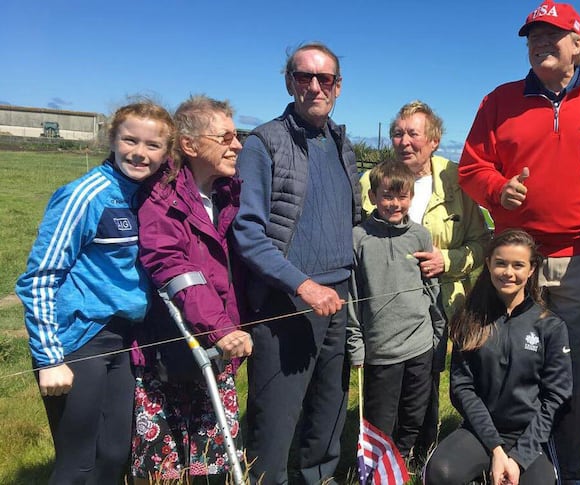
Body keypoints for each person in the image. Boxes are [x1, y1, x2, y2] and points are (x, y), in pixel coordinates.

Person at [457, 2, 580, 481]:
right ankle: (502, 456)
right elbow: (472, 168)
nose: (539, 44)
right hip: (516, 259)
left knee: (573, 370)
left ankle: (568, 467)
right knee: (508, 362)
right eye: (532, 36)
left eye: (551, 35)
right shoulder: (500, 99)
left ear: (577, 44)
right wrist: (499, 189)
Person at [15, 101, 174, 484]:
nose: (140, 152)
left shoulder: (145, 194)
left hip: (120, 339)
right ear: (112, 139)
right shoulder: (86, 195)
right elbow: (39, 278)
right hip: (78, 339)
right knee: (78, 462)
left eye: (153, 146)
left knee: (115, 452)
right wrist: (50, 358)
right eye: (130, 140)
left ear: (166, 153)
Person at [232, 42, 361, 484]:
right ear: (289, 82)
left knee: (327, 415)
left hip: (338, 301)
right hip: (287, 301)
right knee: (275, 423)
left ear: (338, 87)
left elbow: (350, 219)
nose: (314, 86)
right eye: (304, 76)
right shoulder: (264, 142)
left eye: (324, 78)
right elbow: (248, 234)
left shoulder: (342, 142)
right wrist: (302, 285)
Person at [360, 100, 490, 459]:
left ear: (433, 140)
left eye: (413, 134)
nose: (404, 141)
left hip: (441, 304)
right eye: (397, 133)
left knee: (427, 382)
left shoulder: (456, 178)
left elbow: (482, 242)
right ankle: (381, 455)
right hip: (385, 310)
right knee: (385, 384)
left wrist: (446, 261)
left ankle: (423, 453)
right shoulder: (370, 182)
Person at [131, 95, 252, 482]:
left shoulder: (226, 194)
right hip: (172, 348)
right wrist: (223, 328)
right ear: (190, 145)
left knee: (213, 463)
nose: (237, 145)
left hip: (216, 348)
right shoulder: (162, 196)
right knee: (163, 469)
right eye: (227, 137)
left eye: (238, 136)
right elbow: (173, 268)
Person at [423, 229, 572, 485]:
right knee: (441, 473)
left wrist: (519, 457)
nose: (508, 272)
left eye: (518, 265)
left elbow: (557, 397)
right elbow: (462, 389)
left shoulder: (550, 326)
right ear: (489, 264)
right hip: (480, 432)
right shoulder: (469, 320)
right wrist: (496, 449)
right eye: (500, 263)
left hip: (529, 435)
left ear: (532, 269)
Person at [347, 160, 445, 459]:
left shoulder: (420, 235)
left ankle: (401, 462)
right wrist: (356, 344)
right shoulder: (358, 238)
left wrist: (438, 337)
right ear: (373, 197)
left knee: (414, 413)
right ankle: (380, 465)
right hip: (381, 349)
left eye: (402, 197)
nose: (394, 203)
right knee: (381, 418)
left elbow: (433, 290)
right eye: (387, 196)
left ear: (411, 198)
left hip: (420, 344)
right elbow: (352, 296)